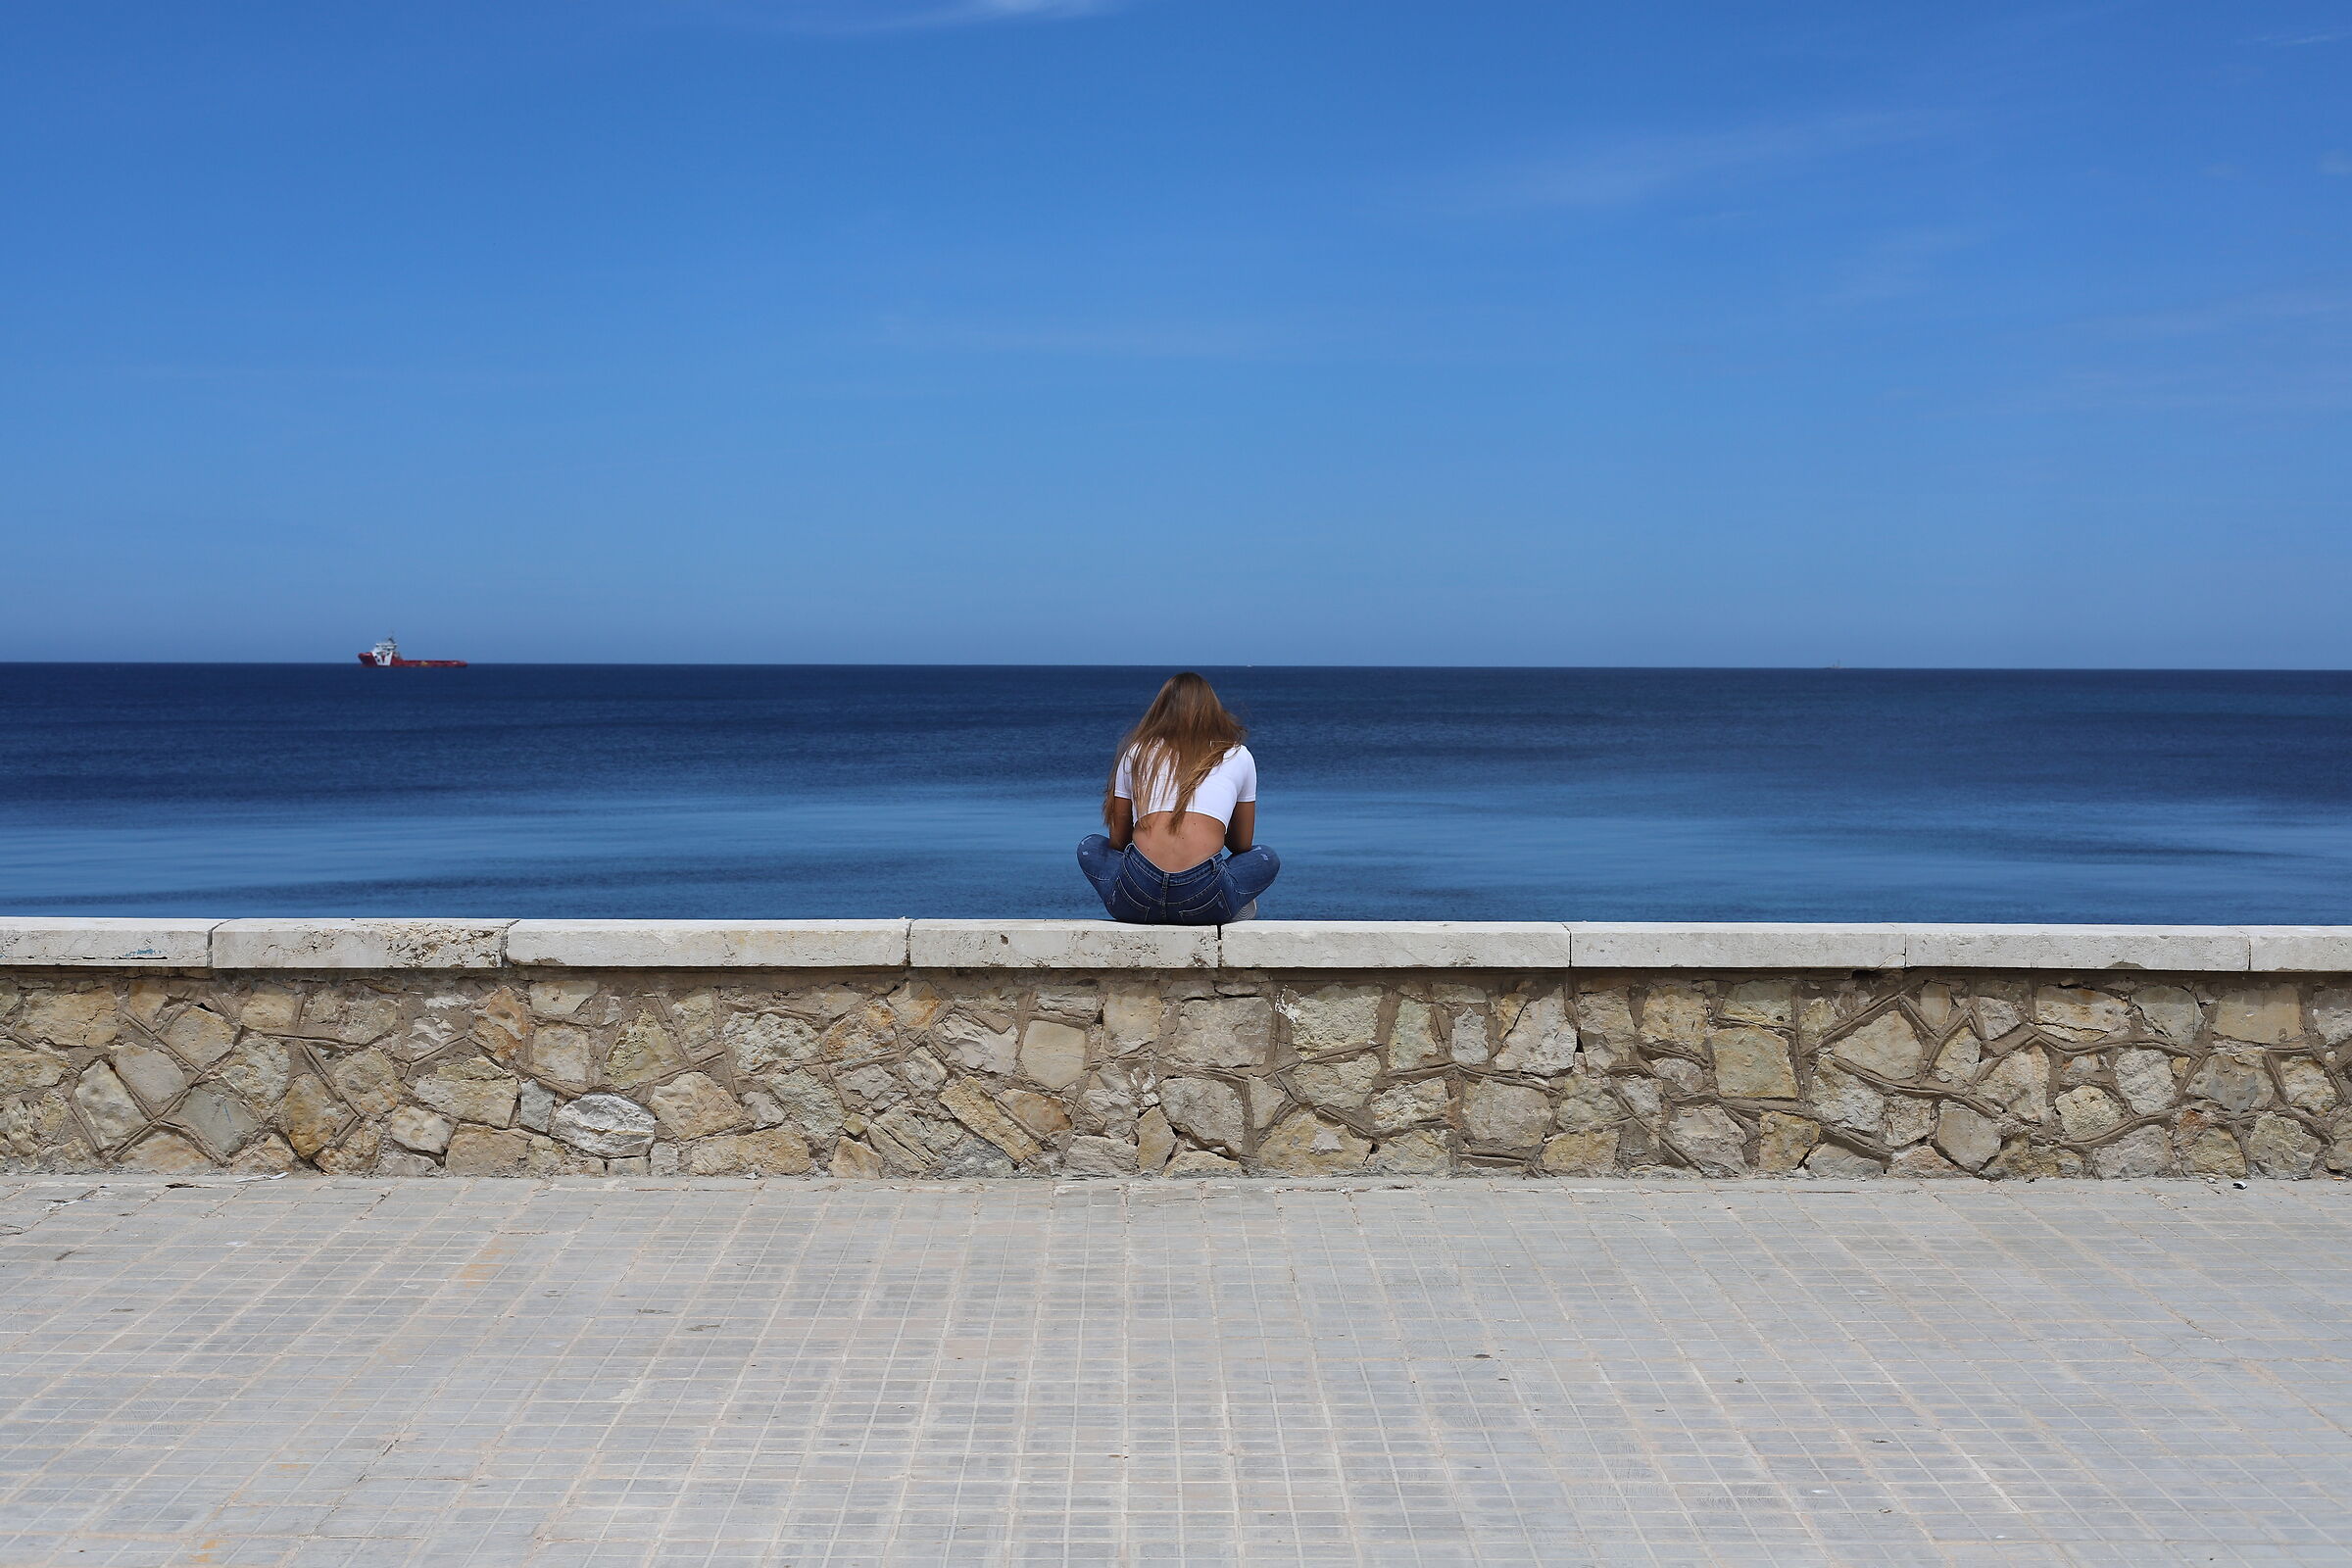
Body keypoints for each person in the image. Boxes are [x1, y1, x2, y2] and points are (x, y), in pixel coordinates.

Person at [1078, 672, 1280, 925]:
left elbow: (1118, 841)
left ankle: (1124, 900)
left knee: (1090, 846)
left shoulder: (1137, 753)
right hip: (1203, 901)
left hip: (1138, 898)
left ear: (1160, 711)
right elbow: (1241, 845)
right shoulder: (1237, 755)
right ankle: (1230, 901)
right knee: (1266, 857)